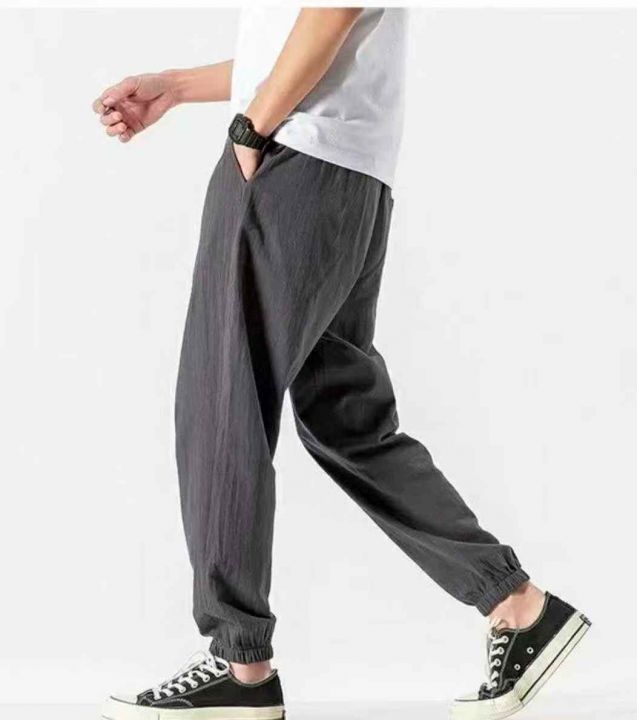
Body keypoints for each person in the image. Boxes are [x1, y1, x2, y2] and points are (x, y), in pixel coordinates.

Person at [94, 8, 589, 720]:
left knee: (223, 404)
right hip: (346, 177)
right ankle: (516, 604)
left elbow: (331, 13)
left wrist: (251, 129)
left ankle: (239, 664)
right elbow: (305, 40)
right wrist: (175, 86)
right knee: (345, 419)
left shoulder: (275, 136)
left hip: (291, 162)